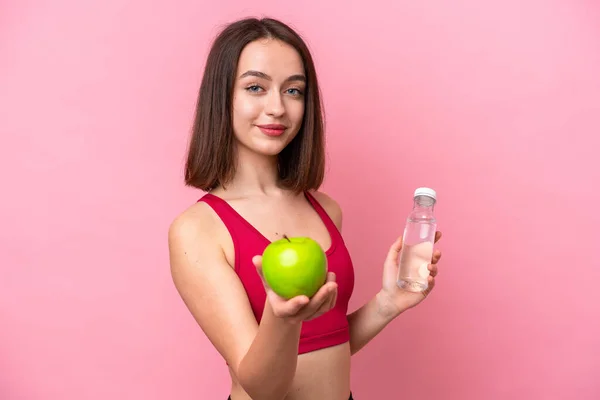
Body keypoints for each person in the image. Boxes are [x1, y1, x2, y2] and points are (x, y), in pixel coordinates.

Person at [168, 17, 442, 400]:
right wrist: (281, 320)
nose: (277, 107)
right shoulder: (197, 230)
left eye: (293, 91)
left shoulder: (326, 210)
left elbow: (326, 344)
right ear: (222, 97)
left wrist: (387, 303)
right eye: (255, 87)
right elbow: (263, 386)